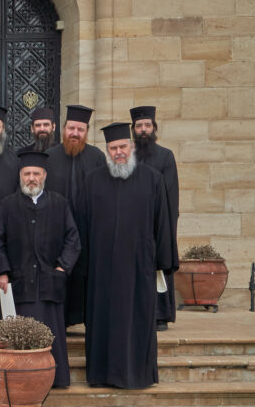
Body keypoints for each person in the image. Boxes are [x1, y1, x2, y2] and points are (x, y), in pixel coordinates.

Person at [77, 122, 176, 389]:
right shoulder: (92, 180)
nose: (118, 152)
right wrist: (84, 267)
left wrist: (162, 263)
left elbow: (162, 223)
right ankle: (101, 375)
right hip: (102, 269)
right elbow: (82, 226)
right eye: (113, 148)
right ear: (107, 151)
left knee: (137, 323)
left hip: (138, 268)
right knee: (103, 323)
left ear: (131, 147)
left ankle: (137, 375)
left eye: (122, 146)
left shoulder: (152, 178)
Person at [0, 151, 80, 388]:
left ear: (44, 176)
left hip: (50, 282)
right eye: (26, 173)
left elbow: (73, 239)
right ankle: (20, 380)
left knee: (51, 333)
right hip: (19, 282)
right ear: (20, 176)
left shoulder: (60, 204)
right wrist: (1, 271)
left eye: (36, 174)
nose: (31, 178)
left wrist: (63, 266)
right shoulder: (8, 205)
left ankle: (54, 379)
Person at [45, 104, 104, 326]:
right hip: (54, 231)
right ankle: (58, 320)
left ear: (86, 131)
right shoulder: (49, 156)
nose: (75, 134)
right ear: (63, 129)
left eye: (80, 129)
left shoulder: (97, 157)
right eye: (71, 128)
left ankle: (81, 318)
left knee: (83, 277)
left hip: (87, 230)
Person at [131, 105, 180, 331]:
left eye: (147, 126)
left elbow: (171, 195)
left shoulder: (165, 156)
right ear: (133, 129)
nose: (143, 130)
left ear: (154, 128)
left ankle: (160, 315)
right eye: (139, 126)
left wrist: (166, 228)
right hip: (133, 227)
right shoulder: (127, 156)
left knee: (158, 267)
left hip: (158, 225)